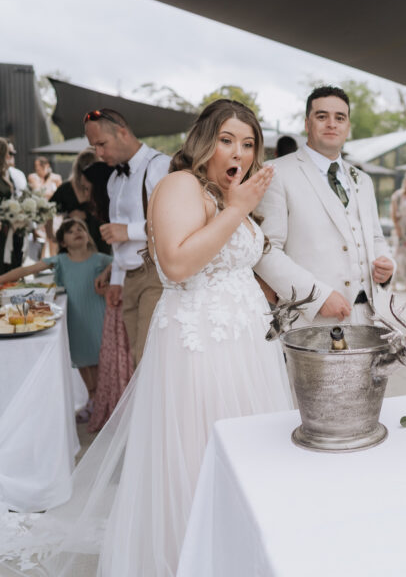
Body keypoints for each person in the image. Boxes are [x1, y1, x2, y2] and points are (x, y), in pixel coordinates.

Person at [0, 99, 294, 575]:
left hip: (247, 348)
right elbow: (177, 265)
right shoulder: (182, 185)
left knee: (253, 461)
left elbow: (247, 260)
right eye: (226, 140)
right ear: (204, 142)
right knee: (202, 462)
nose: (238, 152)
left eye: (248, 143)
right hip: (202, 347)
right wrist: (238, 210)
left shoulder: (229, 194)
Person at [255, 85, 394, 325]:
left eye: (340, 117)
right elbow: (266, 251)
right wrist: (317, 296)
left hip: (371, 318)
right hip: (312, 321)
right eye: (322, 116)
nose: (332, 123)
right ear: (307, 124)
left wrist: (386, 264)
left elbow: (375, 237)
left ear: (348, 126)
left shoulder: (364, 180)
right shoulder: (276, 173)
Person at [0, 218, 110, 420]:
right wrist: (2, 279)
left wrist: (106, 274)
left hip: (97, 316)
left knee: (99, 359)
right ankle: (92, 399)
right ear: (63, 242)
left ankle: (103, 403)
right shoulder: (60, 260)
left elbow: (119, 266)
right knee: (83, 361)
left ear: (88, 236)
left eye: (81, 229)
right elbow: (26, 271)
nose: (77, 231)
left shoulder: (101, 259)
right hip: (75, 320)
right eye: (70, 231)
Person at [85, 108, 171, 365]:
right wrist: (118, 279)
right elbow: (117, 239)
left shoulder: (159, 166)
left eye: (102, 144)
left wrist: (129, 230)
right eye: (94, 147)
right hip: (130, 278)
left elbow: (176, 222)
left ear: (122, 133)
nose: (99, 153)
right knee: (136, 358)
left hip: (157, 274)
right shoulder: (114, 179)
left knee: (149, 358)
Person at [49, 148, 110, 254]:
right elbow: (47, 210)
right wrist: (51, 235)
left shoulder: (104, 188)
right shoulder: (66, 189)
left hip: (99, 238)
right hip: (73, 241)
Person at [1, 138, 27, 273]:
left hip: (12, 229)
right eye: (7, 153)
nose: (9, 157)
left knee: (13, 265)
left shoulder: (14, 175)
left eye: (11, 153)